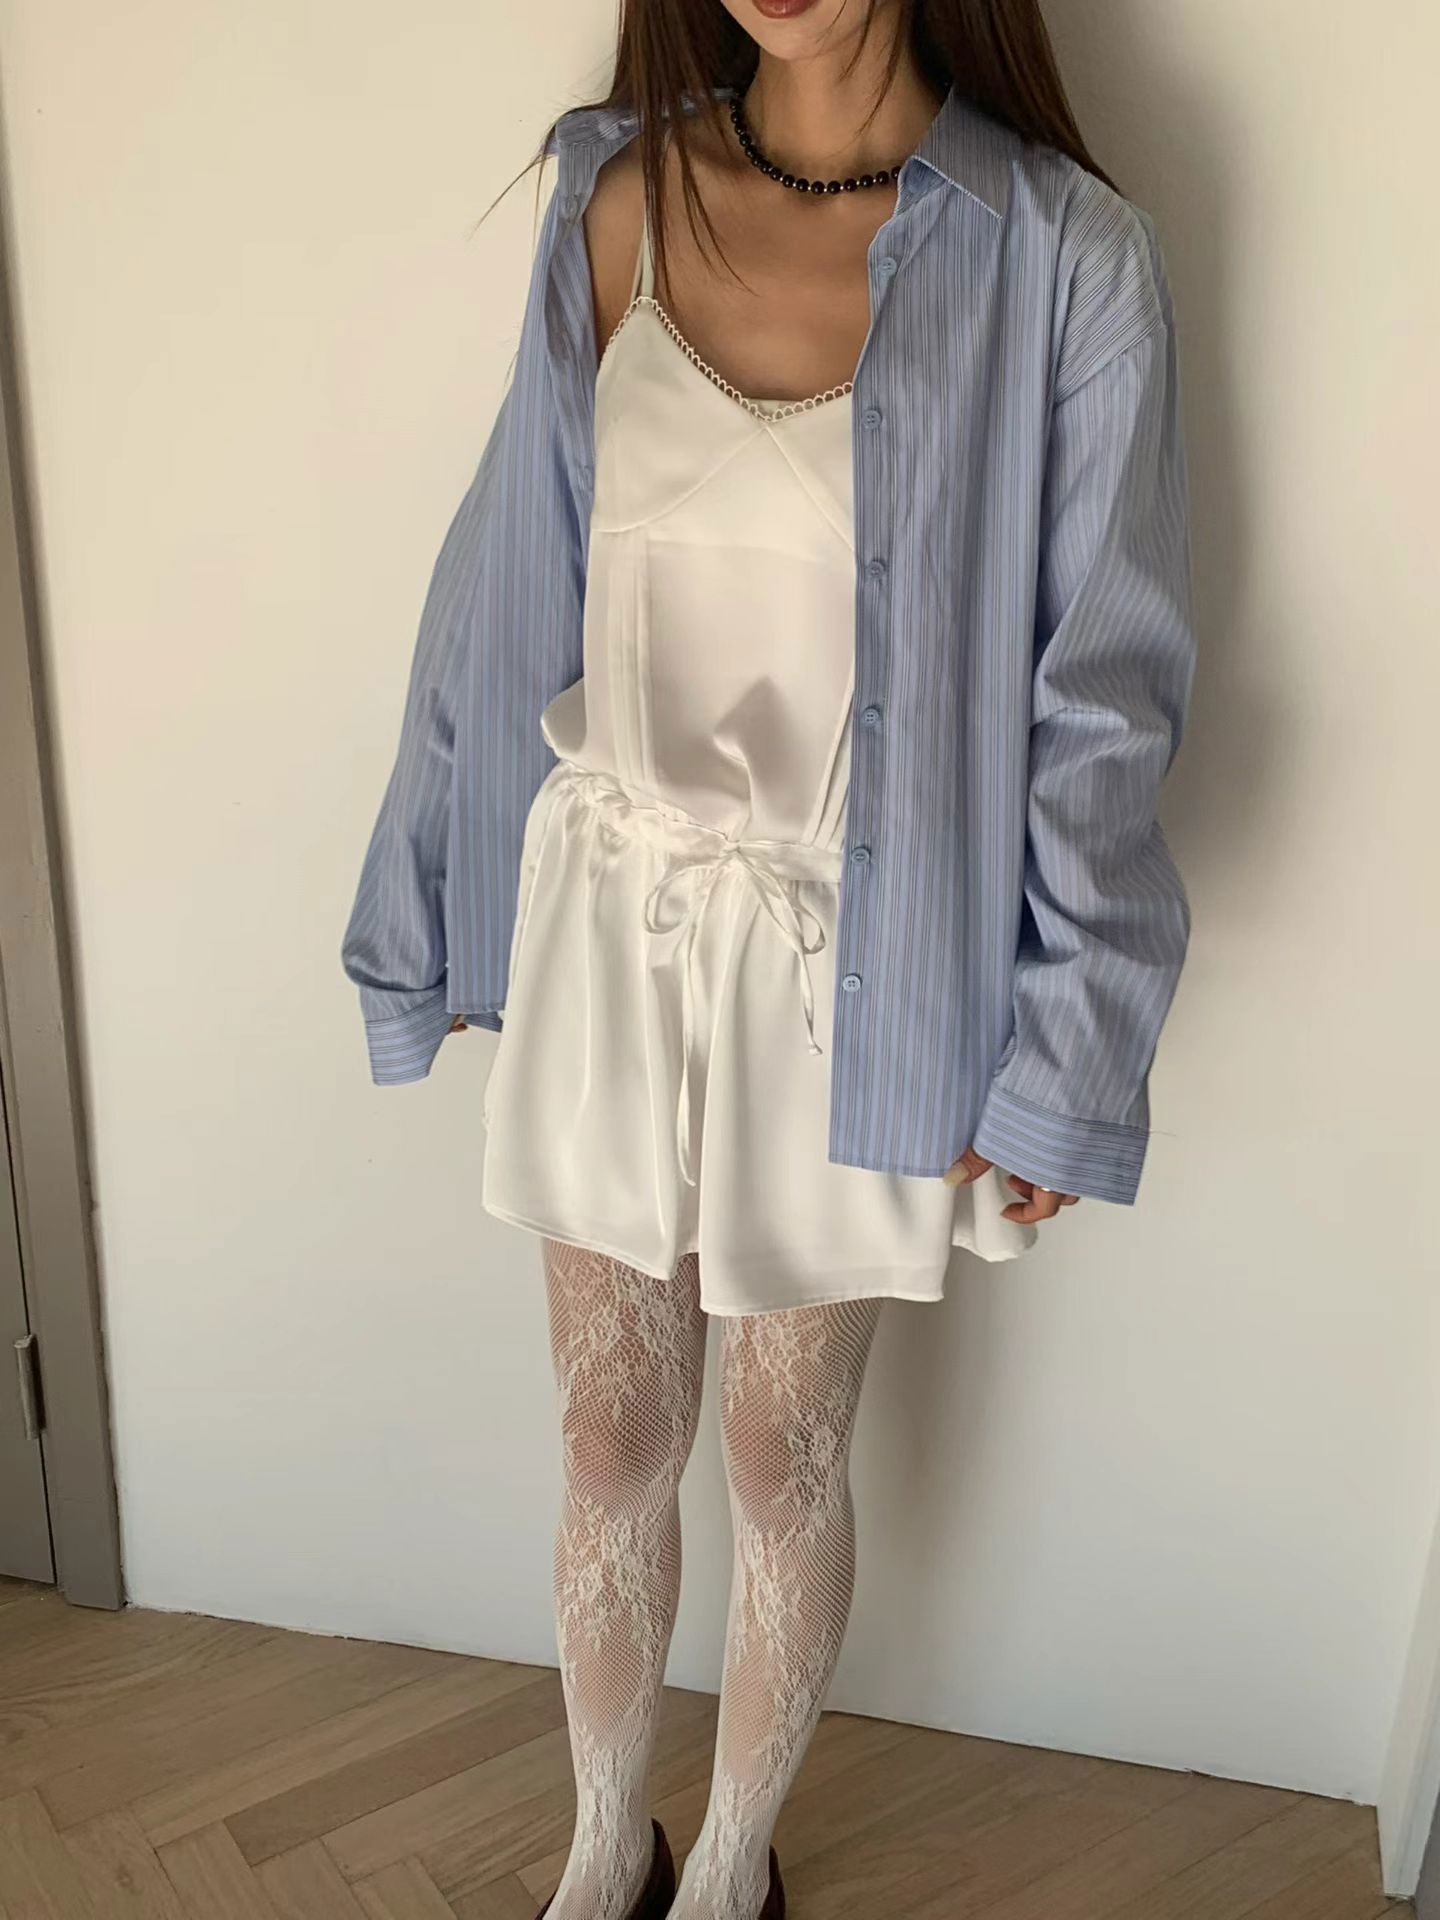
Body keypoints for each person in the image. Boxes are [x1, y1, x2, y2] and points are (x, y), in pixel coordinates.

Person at [341, 2, 1195, 1915]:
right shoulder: (616, 198)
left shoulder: (1064, 259)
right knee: (608, 1431)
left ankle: (732, 1868)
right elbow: (502, 577)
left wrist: (1067, 1047)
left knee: (781, 1444)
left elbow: (1105, 691)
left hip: (860, 955)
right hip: (610, 924)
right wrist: (434, 911)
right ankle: (603, 1850)